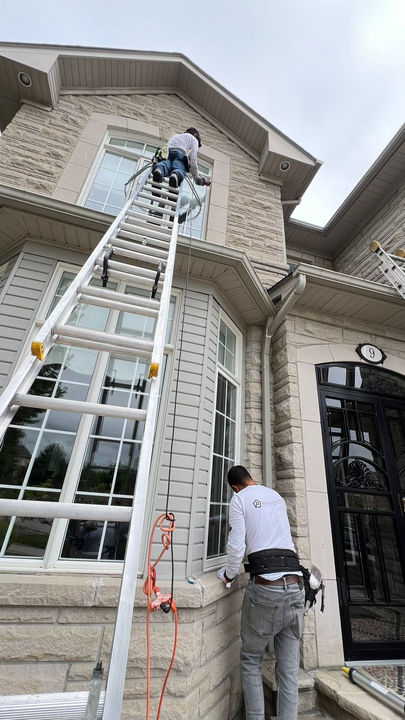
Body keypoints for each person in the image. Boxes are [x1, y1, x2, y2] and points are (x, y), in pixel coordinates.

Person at [217, 465, 305, 720]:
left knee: (251, 659)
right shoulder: (275, 495)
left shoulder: (239, 499)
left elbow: (236, 546)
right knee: (288, 671)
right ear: (250, 478)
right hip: (296, 585)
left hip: (267, 589)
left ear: (235, 487)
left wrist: (228, 575)